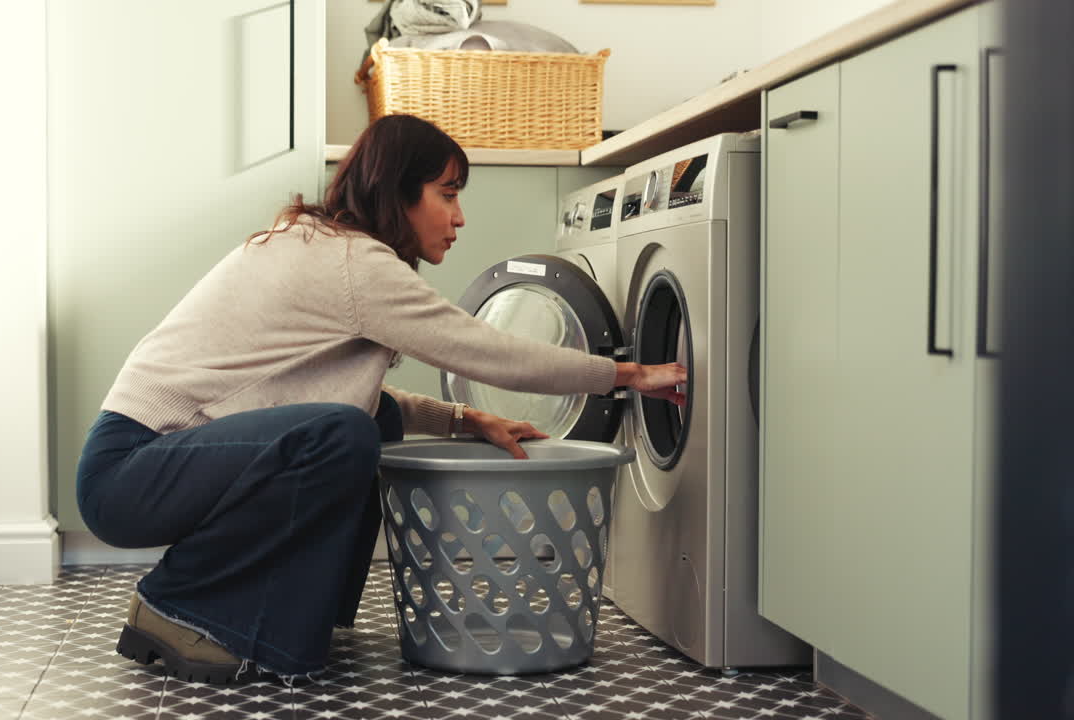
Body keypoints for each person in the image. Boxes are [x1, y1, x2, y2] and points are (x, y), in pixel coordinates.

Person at [75, 114, 687, 685]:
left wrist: (464, 419)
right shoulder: (352, 263)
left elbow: (346, 399)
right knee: (344, 434)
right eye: (447, 194)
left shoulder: (329, 248)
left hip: (157, 461)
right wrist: (626, 374)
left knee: (364, 422)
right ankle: (180, 608)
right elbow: (487, 350)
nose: (460, 216)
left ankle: (283, 619)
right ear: (398, 193)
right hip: (131, 468)